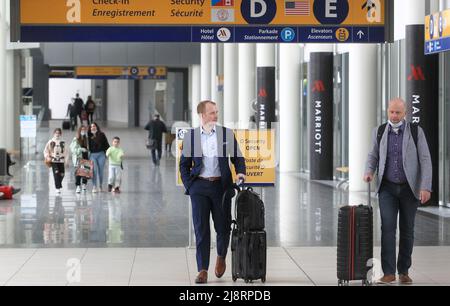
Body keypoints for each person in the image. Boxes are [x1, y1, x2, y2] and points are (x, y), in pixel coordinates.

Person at [364, 98, 432, 285]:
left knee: (407, 230)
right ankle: (388, 273)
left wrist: (425, 186)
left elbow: (425, 160)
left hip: (410, 189)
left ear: (405, 113)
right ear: (388, 111)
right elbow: (373, 154)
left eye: (398, 113)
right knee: (387, 229)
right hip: (387, 188)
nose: (394, 116)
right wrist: (368, 171)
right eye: (391, 112)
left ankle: (403, 271)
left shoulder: (416, 132)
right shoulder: (379, 131)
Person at [179, 100, 246, 284]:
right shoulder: (191, 137)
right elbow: (184, 165)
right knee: (201, 229)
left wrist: (240, 171)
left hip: (221, 187)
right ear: (202, 115)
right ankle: (202, 270)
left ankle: (221, 256)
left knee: (223, 228)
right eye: (211, 113)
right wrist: (189, 186)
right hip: (199, 187)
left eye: (216, 112)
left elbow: (238, 157)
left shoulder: (226, 133)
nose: (215, 115)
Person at [44, 128, 69, 195]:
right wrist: (47, 156)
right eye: (56, 133)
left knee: (62, 174)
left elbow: (66, 152)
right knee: (56, 173)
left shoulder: (63, 142)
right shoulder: (50, 142)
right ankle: (57, 188)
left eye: (58, 133)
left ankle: (59, 184)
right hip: (53, 160)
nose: (57, 134)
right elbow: (46, 150)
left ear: (60, 134)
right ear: (54, 133)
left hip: (61, 160)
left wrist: (66, 161)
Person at [88, 122, 110, 193]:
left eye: (94, 126)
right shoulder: (88, 136)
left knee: (101, 171)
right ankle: (94, 186)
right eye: (91, 127)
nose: (93, 128)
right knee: (94, 170)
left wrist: (108, 153)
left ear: (96, 127)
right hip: (92, 155)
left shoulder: (101, 134)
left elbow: (107, 145)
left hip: (101, 154)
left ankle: (100, 185)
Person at [70, 126, 90, 193]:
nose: (83, 131)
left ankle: (84, 185)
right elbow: (73, 149)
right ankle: (78, 186)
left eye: (84, 129)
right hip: (79, 158)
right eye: (82, 129)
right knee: (78, 172)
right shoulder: (76, 139)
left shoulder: (86, 139)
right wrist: (81, 149)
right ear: (79, 130)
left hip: (86, 157)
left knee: (85, 172)